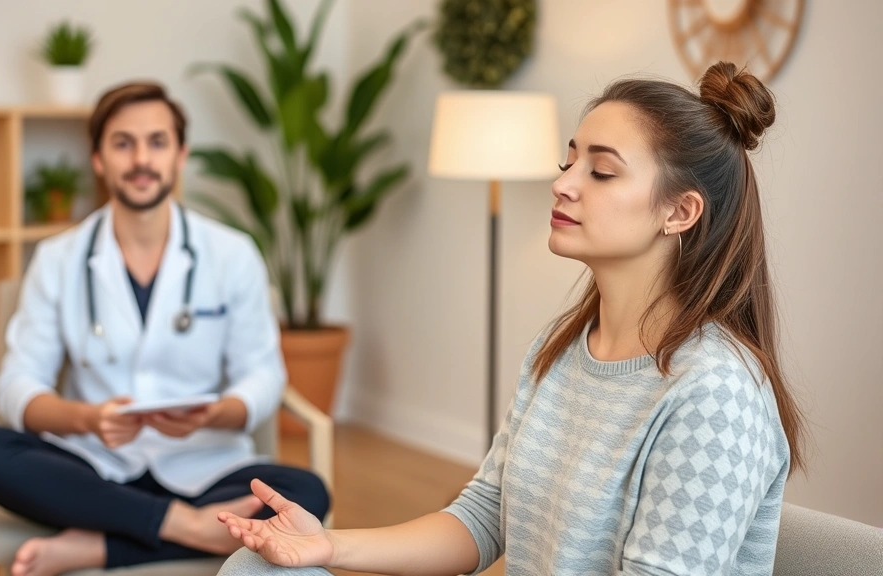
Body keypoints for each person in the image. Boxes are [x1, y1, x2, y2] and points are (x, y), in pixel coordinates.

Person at [214, 61, 806, 576]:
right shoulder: (565, 346)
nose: (562, 184)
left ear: (680, 211)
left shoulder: (715, 393)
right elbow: (482, 517)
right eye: (567, 161)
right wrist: (325, 545)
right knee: (257, 568)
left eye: (600, 172)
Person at [0, 81, 330, 576]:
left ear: (180, 155)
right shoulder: (58, 259)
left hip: (205, 463)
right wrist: (88, 420)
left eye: (157, 142)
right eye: (122, 143)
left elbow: (262, 376)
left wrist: (214, 414)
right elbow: (17, 385)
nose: (141, 159)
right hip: (96, 468)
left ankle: (100, 546)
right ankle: (186, 528)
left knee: (308, 493)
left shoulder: (232, 253)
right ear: (98, 158)